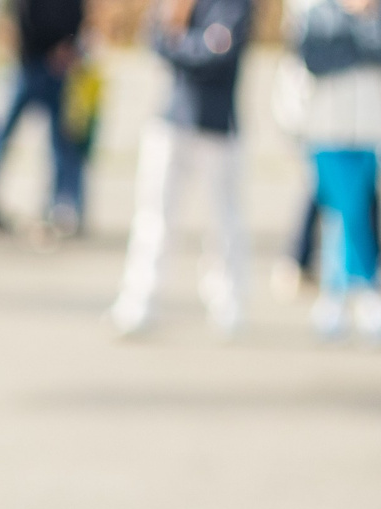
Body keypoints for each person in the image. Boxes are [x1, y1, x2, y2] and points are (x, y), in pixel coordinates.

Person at [109, 0, 250, 336]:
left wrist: (176, 39)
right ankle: (139, 300)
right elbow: (154, 38)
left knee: (224, 218)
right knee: (154, 216)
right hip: (172, 119)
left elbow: (216, 52)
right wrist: (179, 38)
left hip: (216, 124)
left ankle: (228, 302)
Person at [279, 0, 381, 341]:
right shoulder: (312, 8)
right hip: (324, 127)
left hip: (370, 127)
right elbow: (312, 56)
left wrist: (352, 36)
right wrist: (358, 34)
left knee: (352, 211)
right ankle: (365, 291)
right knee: (344, 210)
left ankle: (336, 295)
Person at [0, 0, 87, 235]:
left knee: (64, 141)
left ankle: (65, 207)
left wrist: (66, 47)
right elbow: (21, 16)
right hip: (29, 64)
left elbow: (77, 12)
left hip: (57, 64)